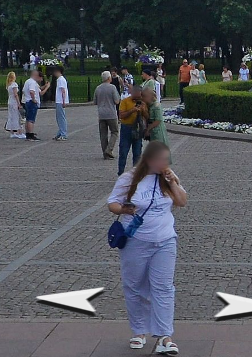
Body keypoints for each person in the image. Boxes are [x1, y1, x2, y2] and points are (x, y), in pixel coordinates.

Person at [106, 140, 187, 355]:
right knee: (134, 286)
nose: (165, 164)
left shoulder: (168, 178)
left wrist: (173, 182)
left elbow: (182, 201)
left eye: (167, 160)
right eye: (161, 160)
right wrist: (124, 209)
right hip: (136, 241)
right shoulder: (129, 179)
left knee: (164, 287)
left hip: (165, 240)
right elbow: (112, 203)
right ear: (149, 160)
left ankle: (165, 336)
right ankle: (139, 331)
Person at [117, 84, 145, 174]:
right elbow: (121, 115)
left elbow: (147, 116)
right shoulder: (125, 101)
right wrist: (133, 110)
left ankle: (135, 174)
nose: (138, 98)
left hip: (138, 128)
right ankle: (121, 172)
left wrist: (143, 110)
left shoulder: (143, 102)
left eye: (140, 96)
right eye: (137, 96)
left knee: (137, 152)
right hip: (126, 128)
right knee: (123, 151)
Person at [95, 71, 121, 159]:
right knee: (115, 131)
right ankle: (109, 149)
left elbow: (95, 101)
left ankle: (105, 153)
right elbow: (117, 101)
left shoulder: (98, 88)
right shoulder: (112, 87)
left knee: (103, 134)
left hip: (101, 113)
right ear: (109, 78)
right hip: (111, 113)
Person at [22, 69, 42, 140]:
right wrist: (33, 99)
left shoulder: (27, 81)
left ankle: (28, 133)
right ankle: (30, 134)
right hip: (31, 102)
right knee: (31, 119)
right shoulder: (32, 82)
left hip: (27, 101)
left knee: (28, 119)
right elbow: (32, 91)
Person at [52, 66, 71, 141]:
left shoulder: (60, 80)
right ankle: (60, 133)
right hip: (60, 101)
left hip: (60, 101)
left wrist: (63, 101)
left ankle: (63, 134)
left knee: (61, 118)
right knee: (59, 117)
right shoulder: (60, 79)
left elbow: (63, 91)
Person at [5, 71, 24, 138]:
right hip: (14, 102)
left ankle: (12, 132)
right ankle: (19, 132)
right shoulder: (14, 84)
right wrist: (19, 103)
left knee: (11, 116)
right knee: (16, 116)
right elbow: (16, 94)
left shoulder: (8, 85)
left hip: (10, 101)